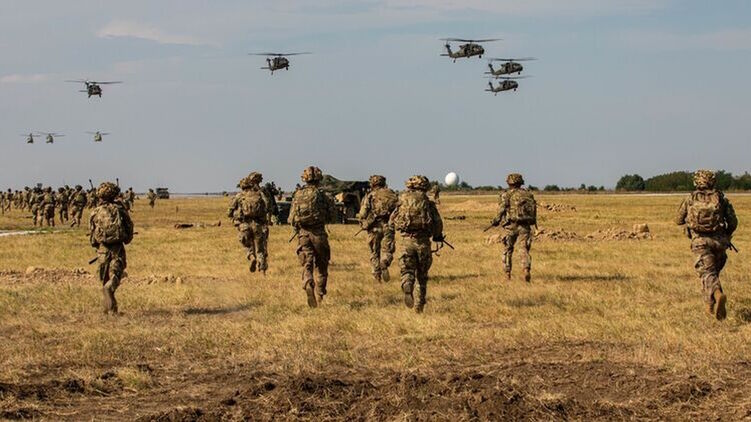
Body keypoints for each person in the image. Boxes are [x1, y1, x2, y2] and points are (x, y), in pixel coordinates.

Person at [675, 170, 738, 321]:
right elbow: (733, 222)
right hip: (719, 243)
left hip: (701, 243)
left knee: (707, 274)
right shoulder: (721, 199)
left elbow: (678, 219)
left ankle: (717, 295)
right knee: (711, 274)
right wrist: (726, 234)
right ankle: (710, 308)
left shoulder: (690, 199)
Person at [389, 175, 444, 313]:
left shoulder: (402, 201)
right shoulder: (428, 203)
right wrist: (437, 236)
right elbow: (438, 223)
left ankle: (407, 283)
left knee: (407, 270)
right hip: (423, 243)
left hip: (406, 242)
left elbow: (391, 221)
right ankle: (419, 306)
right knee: (422, 276)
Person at [288, 166, 337, 308]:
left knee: (307, 263)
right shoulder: (323, 195)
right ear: (319, 179)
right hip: (319, 234)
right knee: (322, 265)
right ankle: (320, 295)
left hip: (303, 234)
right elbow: (333, 216)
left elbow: (291, 218)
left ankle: (308, 281)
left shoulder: (298, 194)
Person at [89, 182, 134, 315]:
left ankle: (110, 309)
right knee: (116, 274)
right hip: (117, 247)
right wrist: (127, 239)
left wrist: (96, 244)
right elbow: (129, 228)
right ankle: (110, 298)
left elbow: (92, 232)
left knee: (104, 277)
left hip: (102, 248)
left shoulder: (95, 211)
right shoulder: (119, 210)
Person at [489, 173, 537, 282]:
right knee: (523, 249)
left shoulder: (506, 195)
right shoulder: (528, 194)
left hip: (510, 226)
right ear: (521, 182)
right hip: (525, 225)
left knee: (508, 249)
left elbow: (501, 210)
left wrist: (496, 221)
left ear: (509, 183)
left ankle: (507, 274)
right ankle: (526, 269)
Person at [228, 172, 273, 274]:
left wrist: (233, 219)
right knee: (261, 249)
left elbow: (229, 211)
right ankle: (262, 270)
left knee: (247, 244)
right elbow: (269, 207)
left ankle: (251, 256)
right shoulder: (261, 193)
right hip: (259, 225)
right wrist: (268, 220)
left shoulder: (241, 195)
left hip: (244, 224)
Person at [357, 175, 398, 282]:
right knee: (388, 249)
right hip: (388, 226)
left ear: (373, 184)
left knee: (374, 252)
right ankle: (385, 261)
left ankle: (377, 277)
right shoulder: (391, 194)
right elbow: (398, 209)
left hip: (374, 228)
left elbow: (363, 213)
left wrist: (363, 222)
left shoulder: (370, 195)